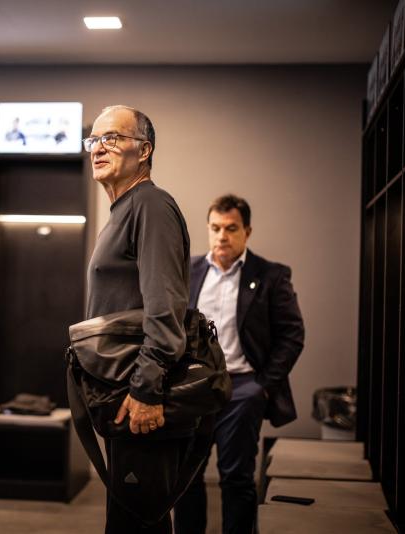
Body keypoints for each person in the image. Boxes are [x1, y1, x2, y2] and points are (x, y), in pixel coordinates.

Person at [85, 105, 192, 533]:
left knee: (138, 524)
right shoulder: (125, 209)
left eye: (112, 138)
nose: (98, 148)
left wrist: (147, 388)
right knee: (129, 520)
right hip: (122, 394)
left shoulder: (151, 204)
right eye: (93, 140)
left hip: (139, 397)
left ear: (144, 150)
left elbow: (165, 307)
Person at [173, 194, 305, 534]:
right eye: (215, 228)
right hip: (194, 388)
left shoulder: (270, 275)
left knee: (236, 479)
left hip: (243, 388)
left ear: (247, 231)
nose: (222, 236)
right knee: (184, 477)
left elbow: (292, 335)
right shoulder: (188, 271)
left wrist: (262, 387)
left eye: (231, 228)